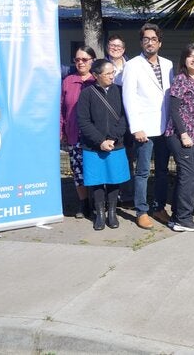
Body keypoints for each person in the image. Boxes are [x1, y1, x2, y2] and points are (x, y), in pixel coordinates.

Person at [122, 23, 173, 230]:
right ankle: (141, 211)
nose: (149, 42)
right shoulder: (133, 65)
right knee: (143, 172)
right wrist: (136, 127)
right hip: (144, 129)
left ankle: (159, 207)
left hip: (164, 127)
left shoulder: (168, 64)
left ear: (159, 42)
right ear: (141, 42)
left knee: (162, 171)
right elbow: (129, 98)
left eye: (153, 39)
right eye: (146, 39)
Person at [76, 60, 130, 231]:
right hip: (93, 146)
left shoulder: (119, 91)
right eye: (108, 74)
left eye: (113, 73)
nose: (112, 76)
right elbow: (83, 121)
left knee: (114, 180)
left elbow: (124, 118)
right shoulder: (86, 94)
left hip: (116, 144)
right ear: (96, 75)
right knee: (97, 181)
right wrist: (100, 141)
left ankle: (112, 213)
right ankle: (99, 213)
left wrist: (113, 138)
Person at [164, 44, 194, 232]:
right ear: (184, 59)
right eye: (191, 56)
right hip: (179, 136)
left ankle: (176, 217)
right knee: (189, 177)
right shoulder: (181, 80)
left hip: (192, 137)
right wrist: (184, 134)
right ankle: (184, 218)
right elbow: (174, 109)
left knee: (185, 176)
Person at [61, 46, 96, 219]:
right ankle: (84, 203)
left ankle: (98, 202)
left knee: (95, 169)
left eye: (84, 59)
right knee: (78, 170)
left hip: (95, 136)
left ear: (92, 61)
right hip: (74, 134)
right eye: (77, 60)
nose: (80, 62)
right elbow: (61, 108)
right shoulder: (68, 81)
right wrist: (61, 130)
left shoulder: (97, 80)